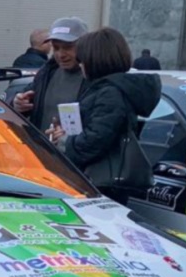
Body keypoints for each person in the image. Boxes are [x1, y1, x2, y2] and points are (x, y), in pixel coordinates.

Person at [49, 27, 159, 201]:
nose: (80, 64)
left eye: (82, 59)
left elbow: (96, 139)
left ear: (95, 60)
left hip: (102, 182)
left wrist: (65, 141)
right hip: (102, 179)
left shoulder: (109, 92)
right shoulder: (109, 88)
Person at [12, 17, 88, 132]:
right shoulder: (47, 73)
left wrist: (68, 141)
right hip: (39, 148)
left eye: (68, 47)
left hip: (74, 149)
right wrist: (18, 103)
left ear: (84, 45)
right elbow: (24, 98)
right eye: (56, 48)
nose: (61, 54)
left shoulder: (95, 78)